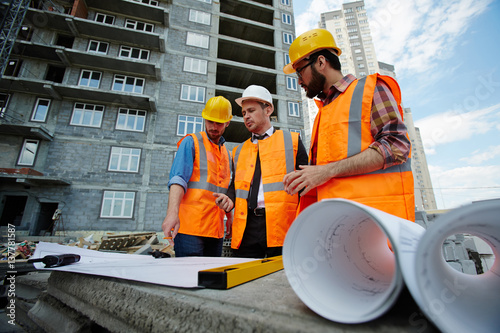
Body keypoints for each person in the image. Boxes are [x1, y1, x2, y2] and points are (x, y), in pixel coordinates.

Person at [282, 28, 415, 221]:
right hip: (339, 226)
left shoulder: (371, 88)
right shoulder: (323, 113)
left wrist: (327, 170)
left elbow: (396, 146)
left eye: (300, 71)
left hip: (379, 226)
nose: (299, 81)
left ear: (320, 62)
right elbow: (327, 176)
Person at [214, 85, 309, 258]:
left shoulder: (292, 141)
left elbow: (306, 188)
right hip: (246, 227)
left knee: (282, 281)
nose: (246, 116)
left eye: (251, 110)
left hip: (283, 226)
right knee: (245, 281)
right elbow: (236, 185)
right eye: (243, 113)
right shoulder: (238, 151)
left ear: (268, 110)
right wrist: (229, 198)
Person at [161, 96, 234, 257]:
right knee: (189, 279)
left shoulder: (228, 156)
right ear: (204, 119)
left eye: (219, 123)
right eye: (210, 121)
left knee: (210, 280)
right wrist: (172, 213)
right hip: (190, 229)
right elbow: (178, 180)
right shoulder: (191, 143)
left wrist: (230, 217)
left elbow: (227, 191)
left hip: (216, 231)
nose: (214, 127)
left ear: (228, 123)